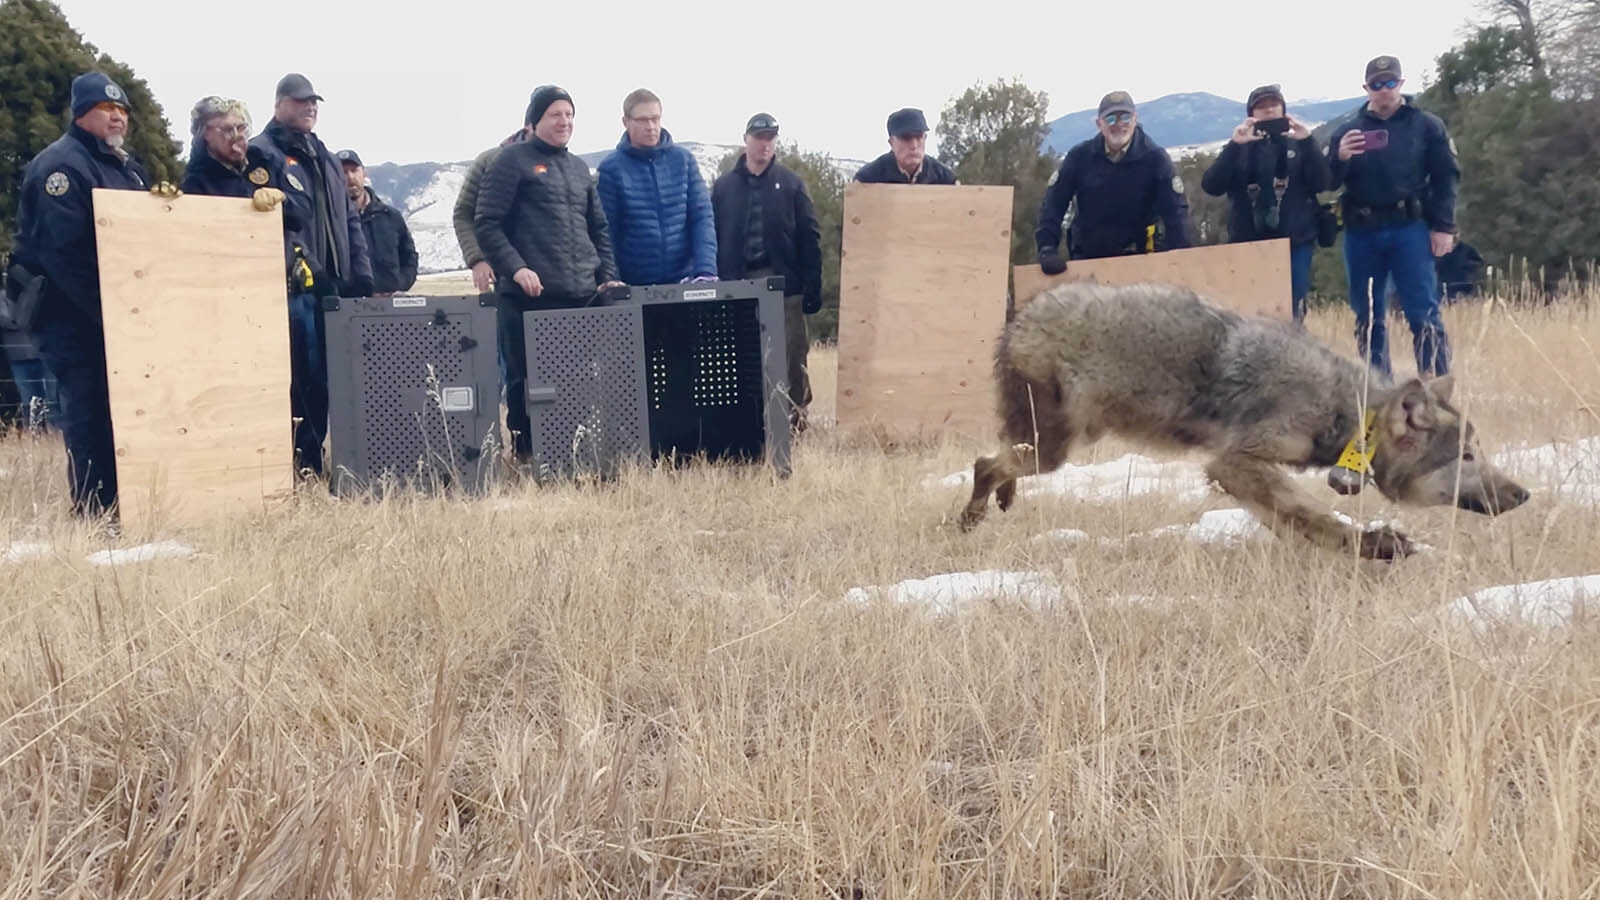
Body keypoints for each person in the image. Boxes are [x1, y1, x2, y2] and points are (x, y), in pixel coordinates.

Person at [6, 72, 151, 519]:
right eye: (107, 109)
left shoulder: (123, 167)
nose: (117, 117)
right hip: (72, 315)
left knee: (123, 412)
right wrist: (113, 314)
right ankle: (93, 510)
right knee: (88, 412)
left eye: (123, 110)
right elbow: (69, 258)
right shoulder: (61, 169)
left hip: (116, 312)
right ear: (82, 113)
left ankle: (127, 504)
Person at [474, 85, 624, 462]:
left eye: (570, 114)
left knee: (577, 384)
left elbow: (599, 228)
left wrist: (607, 274)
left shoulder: (577, 167)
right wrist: (517, 268)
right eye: (556, 114)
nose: (565, 121)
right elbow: (487, 223)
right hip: (528, 298)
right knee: (527, 384)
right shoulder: (511, 162)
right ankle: (527, 456)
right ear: (535, 121)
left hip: (579, 295)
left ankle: (573, 455)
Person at [250, 72, 374, 477]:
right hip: (294, 288)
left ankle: (325, 459)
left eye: (314, 102)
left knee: (332, 380)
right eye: (301, 101)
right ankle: (300, 465)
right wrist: (307, 268)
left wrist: (361, 273)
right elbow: (275, 223)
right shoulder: (262, 153)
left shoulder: (323, 155)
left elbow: (349, 218)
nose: (310, 108)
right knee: (301, 379)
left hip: (334, 289)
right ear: (279, 104)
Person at [1326, 55, 1460, 380]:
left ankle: (1435, 388)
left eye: (1389, 83)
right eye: (1376, 84)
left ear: (1400, 84)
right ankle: (1378, 391)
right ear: (1366, 88)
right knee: (1368, 316)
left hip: (1410, 228)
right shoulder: (1348, 130)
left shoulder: (1427, 125)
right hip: (1362, 232)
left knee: (1423, 312)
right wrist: (1340, 157)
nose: (1383, 90)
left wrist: (1443, 227)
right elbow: (1327, 182)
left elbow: (1446, 178)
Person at [711, 112, 824, 432]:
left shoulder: (790, 184)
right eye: (760, 137)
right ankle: (747, 426)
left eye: (771, 138)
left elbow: (810, 236)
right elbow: (713, 235)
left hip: (783, 284)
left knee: (792, 358)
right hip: (737, 284)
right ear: (746, 139)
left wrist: (812, 287)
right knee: (743, 357)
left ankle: (797, 422)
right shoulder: (724, 187)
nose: (765, 144)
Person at [1201, 84, 1330, 322]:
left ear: (1284, 110)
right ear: (1251, 114)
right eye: (1261, 107)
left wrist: (1308, 142)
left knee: (1294, 311)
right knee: (1250, 313)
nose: (1269, 111)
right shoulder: (1240, 147)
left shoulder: (1299, 144)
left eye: (1274, 105)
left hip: (1295, 240)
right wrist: (1233, 147)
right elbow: (1211, 186)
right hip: (1249, 243)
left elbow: (1323, 182)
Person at [1035, 91, 1191, 273]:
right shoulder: (1079, 157)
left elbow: (1176, 213)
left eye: (1125, 117)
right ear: (1099, 124)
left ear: (1135, 119)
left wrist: (1177, 257)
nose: (1119, 124)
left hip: (1141, 262)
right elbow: (1053, 205)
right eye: (1110, 119)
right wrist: (1047, 249)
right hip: (1087, 261)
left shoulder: (1155, 159)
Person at [596, 89, 717, 286]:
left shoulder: (684, 161)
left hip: (684, 281)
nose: (651, 126)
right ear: (625, 122)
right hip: (633, 286)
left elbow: (702, 217)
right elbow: (606, 231)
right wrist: (611, 278)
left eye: (655, 118)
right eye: (642, 120)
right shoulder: (611, 169)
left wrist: (705, 269)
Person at [338, 149, 418, 295]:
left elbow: (409, 257)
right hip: (349, 309)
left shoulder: (391, 217)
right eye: (343, 172)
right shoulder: (331, 222)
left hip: (390, 309)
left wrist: (398, 285)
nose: (350, 177)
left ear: (364, 173)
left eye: (354, 170)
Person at [852, 108, 958, 185]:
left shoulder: (946, 180)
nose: (914, 146)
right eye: (906, 138)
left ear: (925, 138)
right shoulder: (867, 179)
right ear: (891, 143)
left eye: (919, 137)